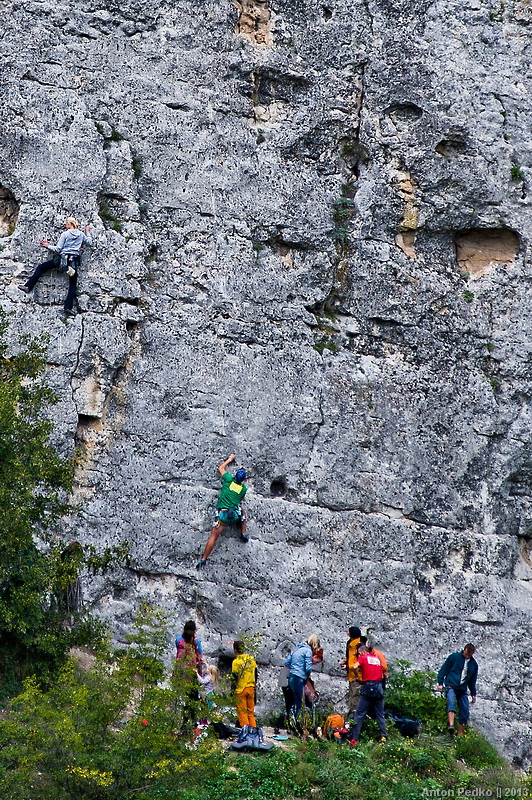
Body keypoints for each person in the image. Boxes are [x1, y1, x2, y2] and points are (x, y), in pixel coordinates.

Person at [19, 217, 93, 316]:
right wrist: (87, 231)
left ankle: (28, 286)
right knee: (72, 285)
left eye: (66, 224)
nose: (64, 225)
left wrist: (47, 245)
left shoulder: (65, 234)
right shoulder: (81, 234)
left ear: (70, 224)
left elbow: (58, 249)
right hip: (73, 263)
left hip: (62, 260)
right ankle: (68, 307)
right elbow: (89, 242)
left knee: (41, 268)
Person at [197, 454, 248, 568]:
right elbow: (240, 499)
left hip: (222, 515)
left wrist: (229, 459)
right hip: (234, 514)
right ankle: (243, 533)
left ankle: (204, 559)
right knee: (243, 511)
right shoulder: (243, 489)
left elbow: (220, 468)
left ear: (235, 476)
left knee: (213, 537)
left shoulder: (229, 480)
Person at [349, 644, 387, 745]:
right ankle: (383, 736)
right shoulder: (376, 659)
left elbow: (354, 667)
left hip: (367, 687)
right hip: (378, 688)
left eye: (359, 653)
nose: (358, 654)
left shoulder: (363, 657)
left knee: (360, 714)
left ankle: (354, 739)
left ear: (362, 651)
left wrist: (358, 677)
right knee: (380, 714)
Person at [437, 643, 478, 737]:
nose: (467, 656)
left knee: (465, 711)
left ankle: (459, 736)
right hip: (451, 685)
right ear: (464, 651)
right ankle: (451, 725)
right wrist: (440, 683)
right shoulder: (454, 657)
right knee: (451, 701)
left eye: (469, 655)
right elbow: (444, 669)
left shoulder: (473, 665)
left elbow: (472, 680)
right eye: (466, 654)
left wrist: (473, 694)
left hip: (462, 690)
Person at [284, 634, 321, 723]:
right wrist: (306, 675)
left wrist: (295, 667)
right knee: (299, 704)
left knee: (293, 702)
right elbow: (308, 668)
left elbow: (287, 663)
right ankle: (299, 726)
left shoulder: (297, 649)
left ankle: (291, 723)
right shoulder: (308, 651)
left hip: (291, 677)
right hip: (299, 678)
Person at [231, 640, 257, 730]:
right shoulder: (251, 659)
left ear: (235, 650)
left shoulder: (236, 662)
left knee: (242, 713)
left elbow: (234, 677)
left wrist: (232, 691)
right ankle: (253, 731)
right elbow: (256, 673)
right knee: (250, 713)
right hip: (251, 687)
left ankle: (245, 733)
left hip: (240, 689)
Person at [341, 625, 361, 714]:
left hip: (357, 676)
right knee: (352, 695)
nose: (347, 632)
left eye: (348, 631)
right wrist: (345, 662)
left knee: (355, 696)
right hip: (352, 675)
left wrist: (348, 666)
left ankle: (354, 716)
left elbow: (356, 661)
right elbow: (350, 658)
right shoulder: (350, 643)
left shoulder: (357, 645)